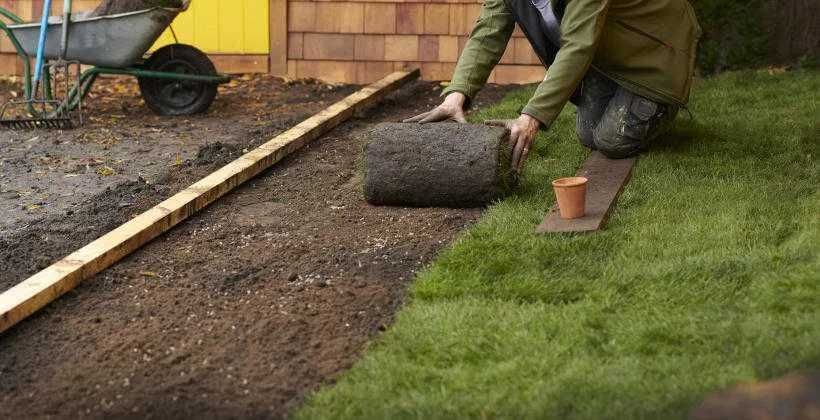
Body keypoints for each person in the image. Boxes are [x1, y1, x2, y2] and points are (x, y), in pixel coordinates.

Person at [405, 0, 701, 172]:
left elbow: (578, 45)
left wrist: (530, 118)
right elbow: (488, 31)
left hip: (656, 51)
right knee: (589, 135)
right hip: (608, 54)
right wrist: (456, 96)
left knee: (613, 142)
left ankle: (661, 105)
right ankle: (626, 96)